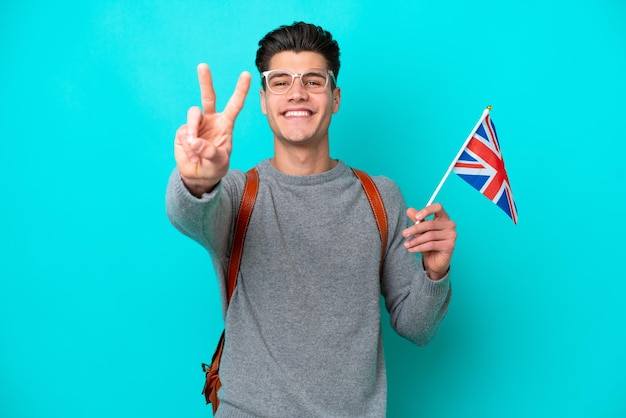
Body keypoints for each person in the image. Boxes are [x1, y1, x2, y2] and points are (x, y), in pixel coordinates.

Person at [166, 21, 456, 418]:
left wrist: (434, 273)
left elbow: (417, 328)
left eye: (313, 81)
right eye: (280, 81)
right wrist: (197, 180)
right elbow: (190, 213)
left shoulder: (379, 197)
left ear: (335, 98)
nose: (297, 93)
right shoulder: (236, 196)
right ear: (264, 100)